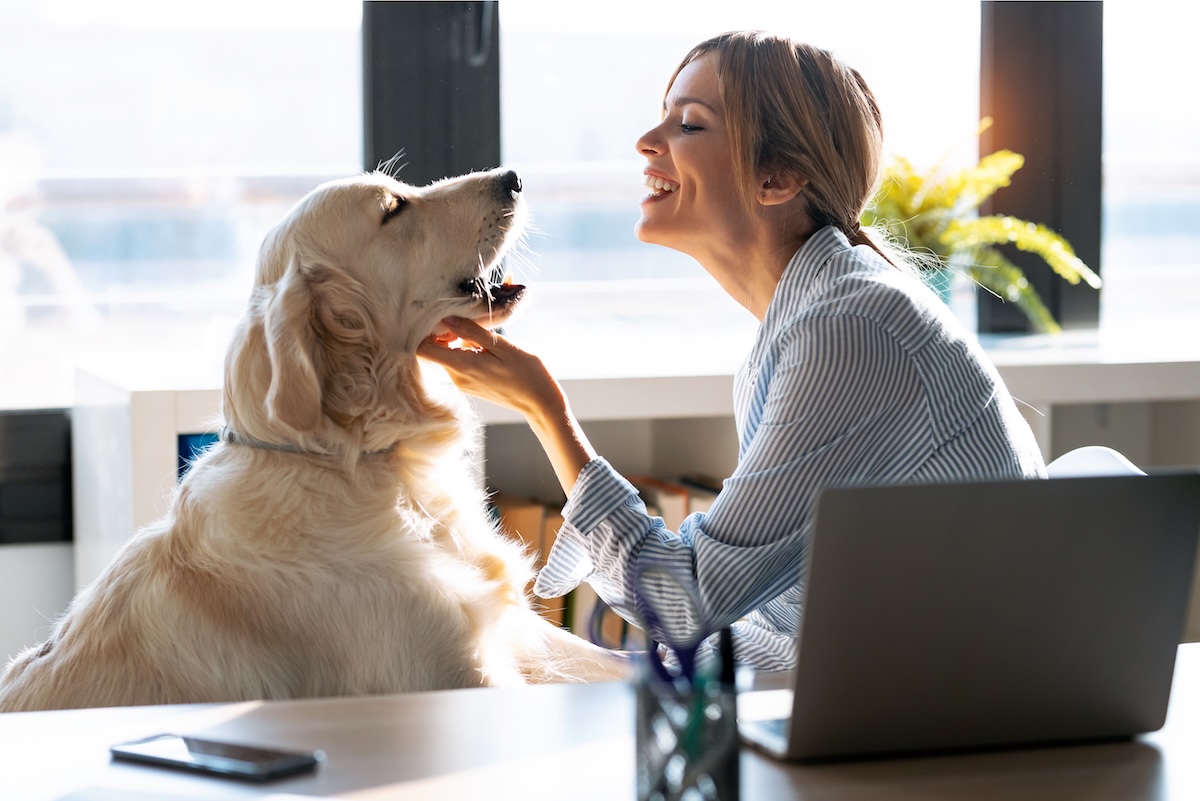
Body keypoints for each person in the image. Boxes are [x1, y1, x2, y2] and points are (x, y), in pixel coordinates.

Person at [417, 30, 1046, 671]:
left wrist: (546, 411)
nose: (647, 142)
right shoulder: (810, 317)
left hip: (927, 704)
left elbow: (684, 602)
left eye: (689, 124)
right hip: (854, 671)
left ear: (777, 177)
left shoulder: (852, 328)